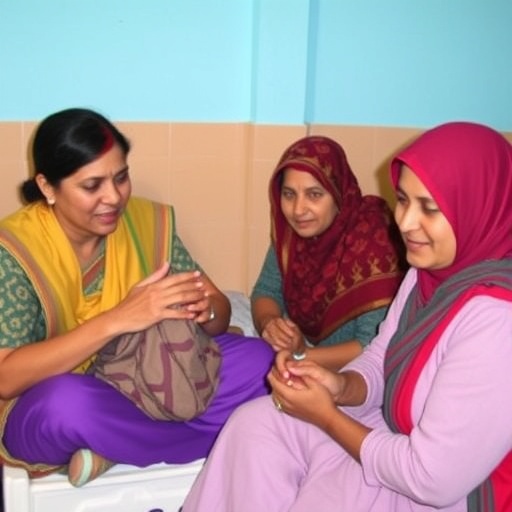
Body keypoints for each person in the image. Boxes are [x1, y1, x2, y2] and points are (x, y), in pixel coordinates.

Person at [183, 122, 512, 512]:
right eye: (403, 200)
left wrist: (326, 415)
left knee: (325, 492)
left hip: (449, 491)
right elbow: (381, 356)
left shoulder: (497, 319)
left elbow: (431, 479)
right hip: (389, 428)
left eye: (430, 208)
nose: (406, 223)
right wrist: (338, 385)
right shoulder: (425, 274)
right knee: (257, 423)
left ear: (478, 207)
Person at [0, 108, 274, 487]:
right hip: (62, 395)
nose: (114, 197)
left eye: (121, 177)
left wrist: (205, 311)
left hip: (145, 381)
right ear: (47, 187)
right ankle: (145, 439)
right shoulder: (15, 251)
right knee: (65, 407)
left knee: (261, 364)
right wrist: (119, 319)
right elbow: (6, 378)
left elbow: (218, 312)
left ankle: (113, 447)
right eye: (92, 186)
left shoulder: (145, 224)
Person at [251, 135, 406, 367]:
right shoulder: (293, 234)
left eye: (314, 194)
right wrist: (270, 323)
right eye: (289, 194)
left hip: (360, 372)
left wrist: (301, 355)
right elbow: (267, 290)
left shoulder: (374, 241)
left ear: (338, 193)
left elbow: (373, 344)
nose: (298, 210)